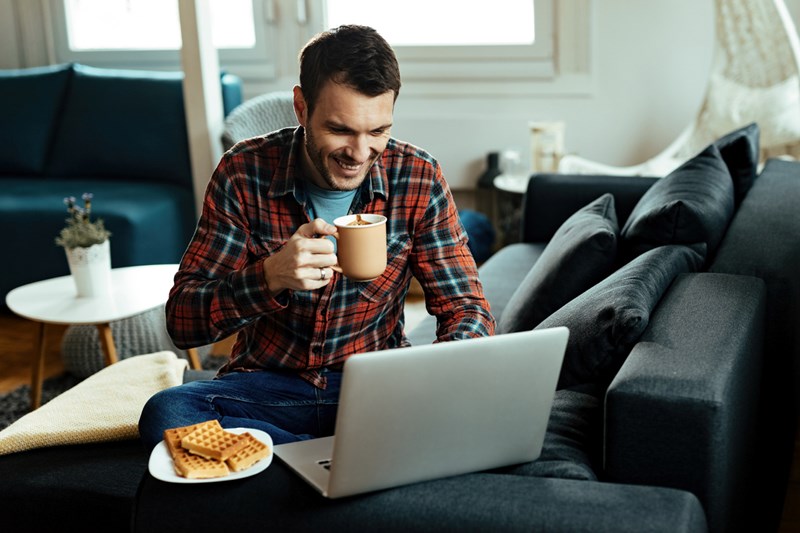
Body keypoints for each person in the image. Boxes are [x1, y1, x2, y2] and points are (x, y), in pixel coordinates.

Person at [138, 24, 495, 450]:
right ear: (301, 108)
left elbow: (467, 308)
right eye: (340, 129)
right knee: (168, 412)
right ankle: (342, 455)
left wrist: (441, 376)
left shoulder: (417, 176)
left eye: (377, 131)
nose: (359, 153)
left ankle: (282, 457)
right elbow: (182, 322)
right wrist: (268, 277)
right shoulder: (243, 173)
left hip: (371, 386)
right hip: (268, 387)